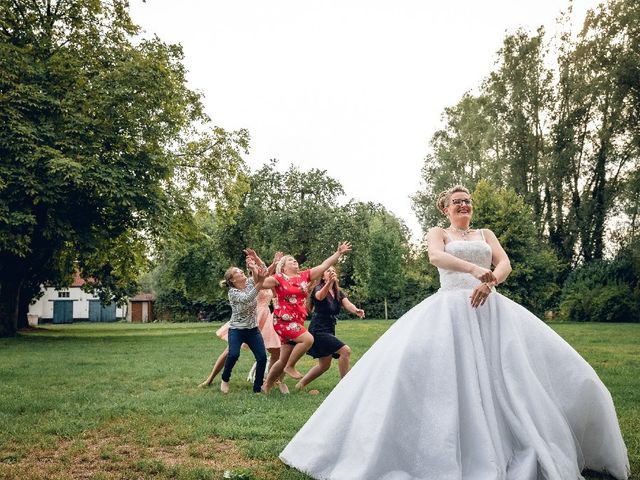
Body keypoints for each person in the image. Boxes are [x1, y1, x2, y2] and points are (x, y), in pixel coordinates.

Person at [280, 186, 630, 480]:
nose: (464, 204)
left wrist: (490, 281)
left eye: (468, 201)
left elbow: (504, 263)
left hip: (489, 305)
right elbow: (435, 257)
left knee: (525, 374)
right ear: (446, 208)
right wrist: (476, 270)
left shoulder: (486, 234)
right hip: (448, 306)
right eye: (457, 201)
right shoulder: (440, 233)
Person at [248, 242, 352, 394]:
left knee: (282, 359)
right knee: (308, 339)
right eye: (290, 260)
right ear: (283, 267)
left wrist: (338, 253)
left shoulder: (305, 276)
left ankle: (265, 387)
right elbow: (260, 283)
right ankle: (290, 366)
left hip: (296, 321)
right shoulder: (278, 278)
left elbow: (324, 265)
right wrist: (254, 271)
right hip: (283, 321)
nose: (294, 261)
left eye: (295, 260)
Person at [199, 254, 289, 393]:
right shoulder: (233, 292)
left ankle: (258, 388)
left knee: (262, 357)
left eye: (241, 270)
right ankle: (224, 379)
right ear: (232, 279)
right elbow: (248, 298)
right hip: (237, 329)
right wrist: (258, 276)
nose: (241, 272)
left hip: (254, 328)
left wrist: (258, 262)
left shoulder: (250, 282)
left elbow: (264, 272)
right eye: (238, 272)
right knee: (232, 354)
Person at [294, 266, 364, 393]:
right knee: (345, 351)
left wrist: (356, 310)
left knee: (324, 365)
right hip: (318, 329)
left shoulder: (338, 291)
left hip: (329, 327)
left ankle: (300, 385)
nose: (331, 272)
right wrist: (329, 283)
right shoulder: (319, 288)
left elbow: (347, 303)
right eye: (328, 271)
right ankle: (344, 386)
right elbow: (320, 297)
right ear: (323, 276)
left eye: (333, 270)